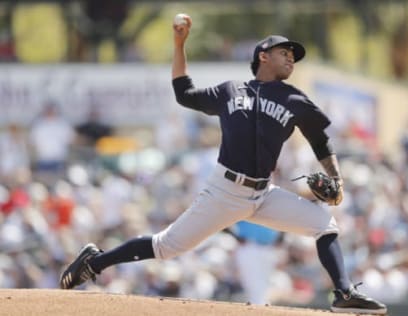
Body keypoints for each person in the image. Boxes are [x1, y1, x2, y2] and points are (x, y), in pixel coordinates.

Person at [59, 14, 387, 315]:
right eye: (284, 52)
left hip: (264, 194)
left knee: (324, 223)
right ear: (263, 56)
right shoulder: (231, 90)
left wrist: (336, 178)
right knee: (166, 247)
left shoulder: (296, 100)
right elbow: (184, 93)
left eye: (293, 55)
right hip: (225, 191)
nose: (291, 58)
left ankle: (343, 293)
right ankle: (95, 261)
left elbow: (320, 139)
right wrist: (179, 44)